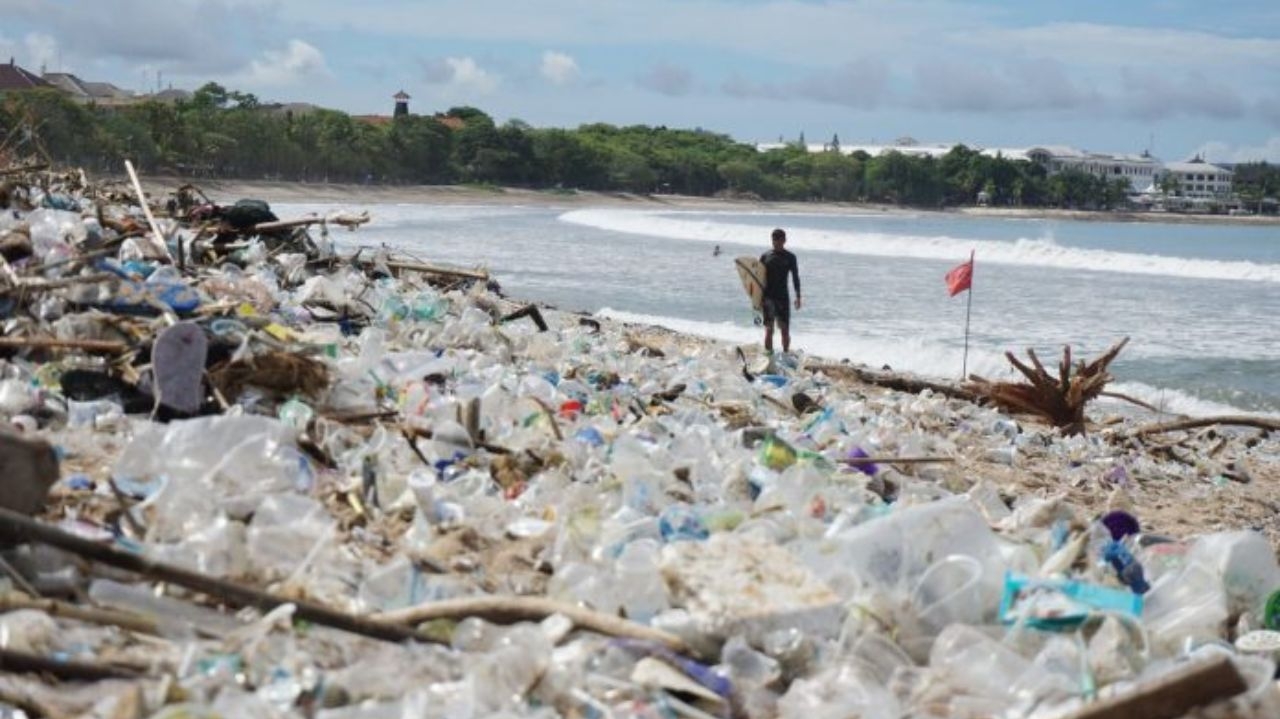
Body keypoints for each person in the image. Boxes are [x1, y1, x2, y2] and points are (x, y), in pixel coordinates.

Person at [760, 228, 801, 353]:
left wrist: (798, 296)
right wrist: (756, 298)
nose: (776, 243)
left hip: (783, 298)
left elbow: (795, 277)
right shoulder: (765, 256)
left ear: (784, 241)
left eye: (778, 240)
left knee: (784, 329)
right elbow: (758, 278)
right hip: (768, 297)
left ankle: (785, 353)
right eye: (774, 240)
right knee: (769, 329)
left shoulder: (790, 257)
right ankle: (769, 355)